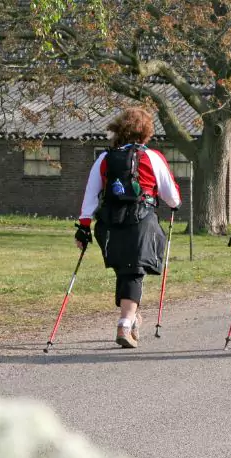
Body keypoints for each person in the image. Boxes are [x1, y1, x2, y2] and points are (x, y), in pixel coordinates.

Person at [75, 107, 181, 348]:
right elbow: (172, 197)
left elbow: (90, 195)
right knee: (133, 272)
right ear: (146, 133)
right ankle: (125, 323)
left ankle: (132, 318)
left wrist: (83, 227)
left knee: (126, 271)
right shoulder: (152, 157)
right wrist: (174, 204)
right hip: (140, 221)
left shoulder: (105, 158)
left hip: (109, 224)